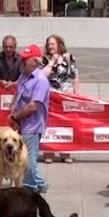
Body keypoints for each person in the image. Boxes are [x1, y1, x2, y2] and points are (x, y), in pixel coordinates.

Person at [9, 44, 50, 193]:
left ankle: (32, 187)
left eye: (26, 59)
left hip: (32, 126)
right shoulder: (23, 75)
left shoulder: (40, 81)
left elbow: (34, 106)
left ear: (35, 61)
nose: (22, 61)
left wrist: (16, 116)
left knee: (28, 161)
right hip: (21, 123)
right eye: (23, 58)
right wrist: (13, 107)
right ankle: (38, 184)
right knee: (24, 158)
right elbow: (18, 93)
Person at [40, 35, 79, 164]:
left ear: (59, 45)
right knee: (50, 124)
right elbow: (42, 75)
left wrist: (76, 94)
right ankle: (49, 153)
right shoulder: (44, 60)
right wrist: (52, 62)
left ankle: (65, 152)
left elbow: (75, 77)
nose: (50, 46)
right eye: (48, 44)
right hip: (50, 97)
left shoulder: (69, 58)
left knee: (66, 124)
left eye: (53, 44)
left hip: (66, 96)